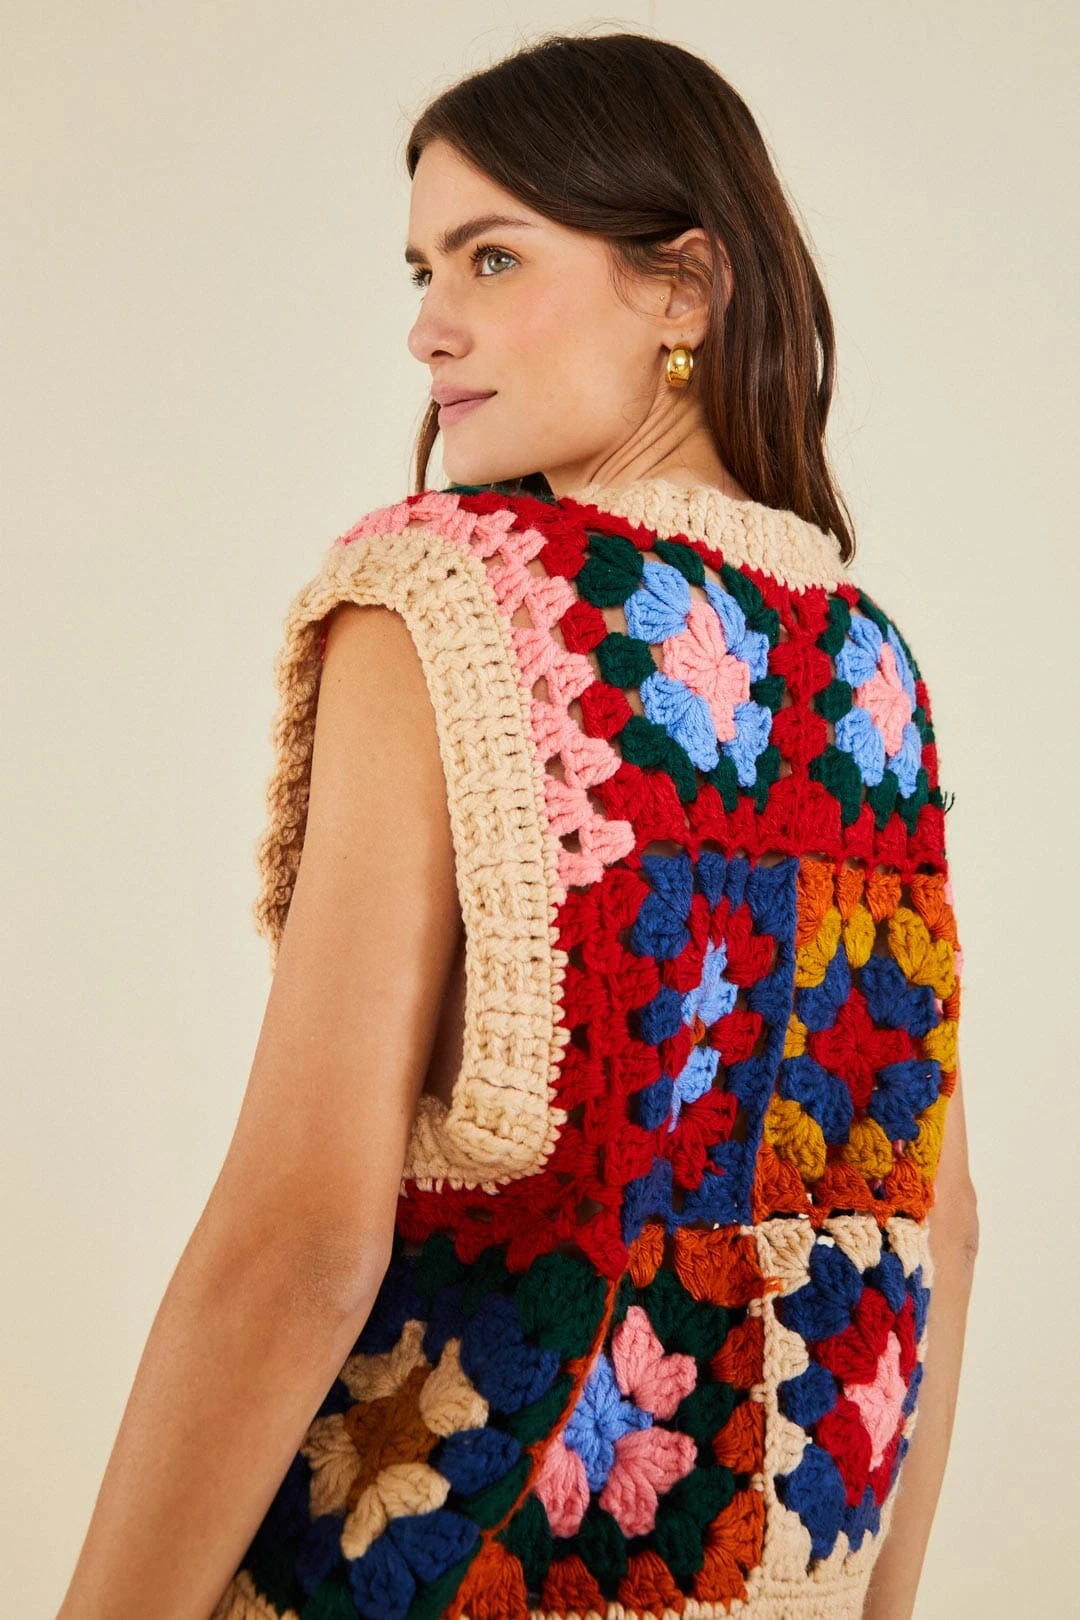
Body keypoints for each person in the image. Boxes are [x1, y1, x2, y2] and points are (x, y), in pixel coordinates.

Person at [56, 30, 978, 1620]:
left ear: (684, 286)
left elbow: (300, 1248)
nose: (429, 324)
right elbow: (928, 1230)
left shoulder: (450, 599)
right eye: (423, 268)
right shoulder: (871, 670)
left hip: (435, 1557)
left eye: (493, 257)